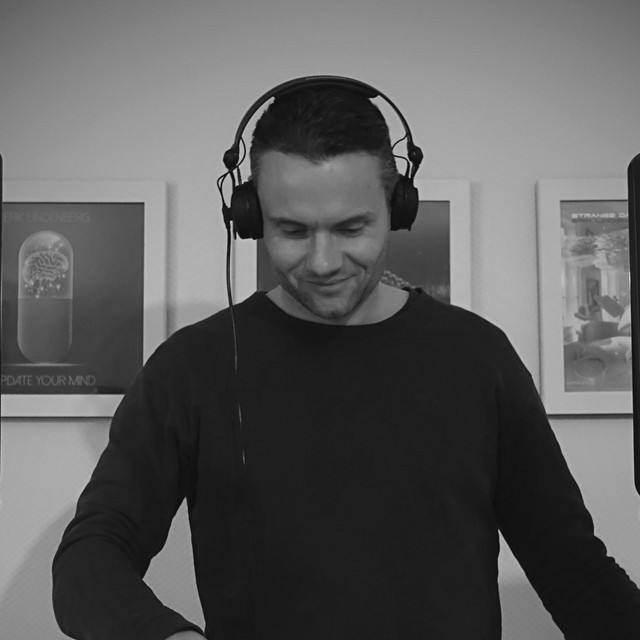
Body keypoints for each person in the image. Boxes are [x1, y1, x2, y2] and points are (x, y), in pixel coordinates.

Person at [52, 77, 640, 640]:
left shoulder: (478, 356)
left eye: (351, 227)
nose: (323, 261)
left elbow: (573, 569)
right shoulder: (191, 367)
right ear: (251, 217)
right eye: (292, 231)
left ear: (397, 207)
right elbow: (90, 557)